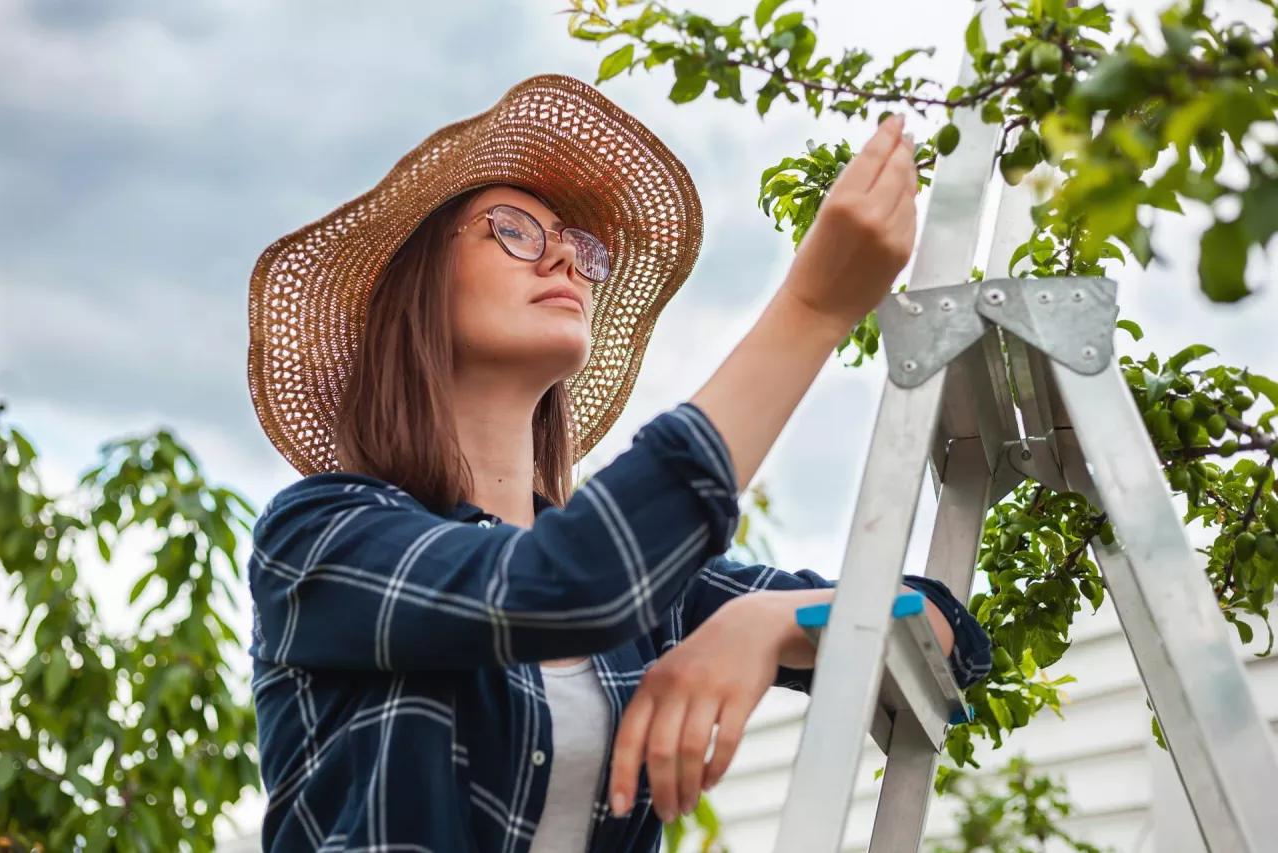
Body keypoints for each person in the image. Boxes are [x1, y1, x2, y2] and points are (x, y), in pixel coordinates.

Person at [244, 74, 991, 853]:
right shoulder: (319, 536)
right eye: (515, 230)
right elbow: (564, 583)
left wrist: (767, 619)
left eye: (575, 243)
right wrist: (811, 310)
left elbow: (941, 632)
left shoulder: (653, 597)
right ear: (419, 290)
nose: (564, 253)